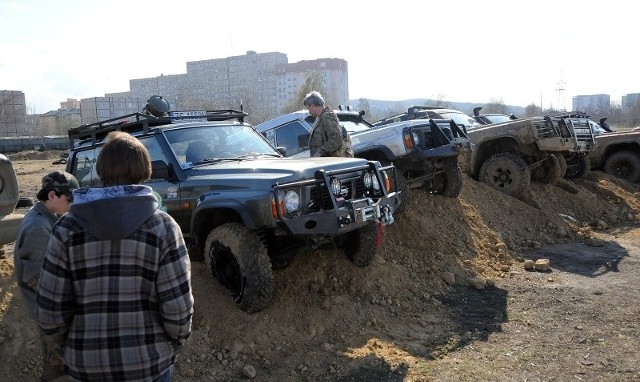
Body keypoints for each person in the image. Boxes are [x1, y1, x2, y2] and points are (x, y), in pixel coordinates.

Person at [37, 131, 194, 382]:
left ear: (101, 170)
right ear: (146, 170)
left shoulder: (66, 228)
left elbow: (50, 311)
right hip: (150, 366)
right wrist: (172, 346)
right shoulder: (164, 227)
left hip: (85, 367)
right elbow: (178, 310)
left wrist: (70, 350)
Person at [14, 170, 78, 381]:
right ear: (52, 196)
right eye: (69, 199)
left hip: (51, 311)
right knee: (58, 372)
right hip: (50, 314)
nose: (71, 204)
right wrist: (70, 298)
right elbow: (37, 279)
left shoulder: (45, 218)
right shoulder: (39, 227)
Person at [303, 91, 354, 158]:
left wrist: (321, 151)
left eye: (308, 108)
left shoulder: (327, 117)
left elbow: (336, 138)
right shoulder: (319, 118)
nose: (308, 111)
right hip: (323, 162)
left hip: (330, 162)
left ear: (312, 105)